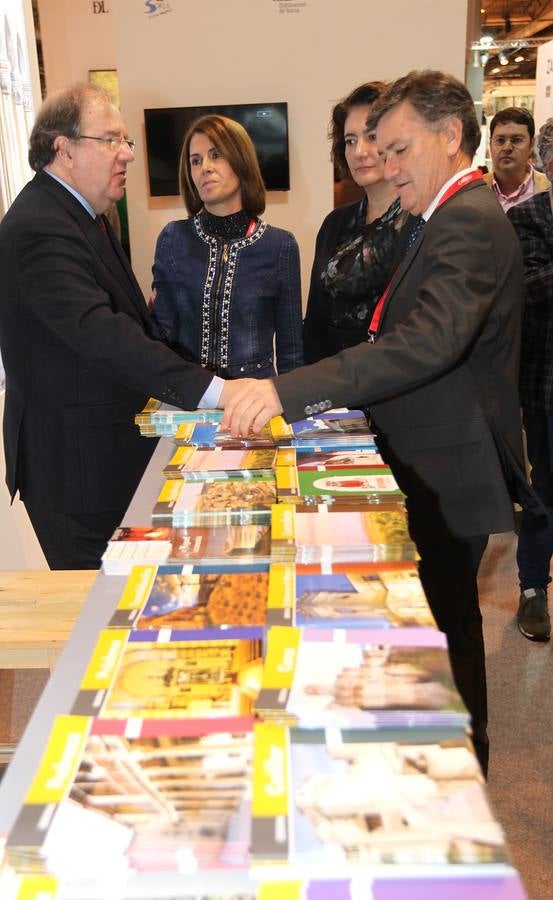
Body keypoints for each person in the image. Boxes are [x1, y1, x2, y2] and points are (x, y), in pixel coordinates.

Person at [220, 70, 540, 775]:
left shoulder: (466, 219)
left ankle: (458, 774)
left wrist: (288, 389)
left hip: (445, 462)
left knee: (446, 633)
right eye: (377, 150)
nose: (385, 167)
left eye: (398, 150)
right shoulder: (448, 213)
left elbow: (425, 342)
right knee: (431, 626)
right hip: (425, 449)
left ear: (449, 136)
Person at [0, 83, 217, 570]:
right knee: (101, 613)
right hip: (78, 472)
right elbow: (101, 332)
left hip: (102, 458)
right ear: (65, 148)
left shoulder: (85, 216)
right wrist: (210, 391)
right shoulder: (41, 225)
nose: (127, 154)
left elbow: (129, 327)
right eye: (112, 140)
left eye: (128, 141)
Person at [151, 114, 303, 379]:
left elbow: (291, 351)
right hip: (191, 399)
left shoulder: (280, 245)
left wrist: (293, 409)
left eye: (216, 155)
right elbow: (161, 334)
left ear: (241, 161)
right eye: (195, 161)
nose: (205, 168)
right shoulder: (172, 238)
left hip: (255, 401)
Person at [303, 83, 405, 362]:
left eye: (371, 136)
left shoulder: (421, 222)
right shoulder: (335, 223)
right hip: (334, 388)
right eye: (350, 140)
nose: (359, 151)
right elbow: (315, 321)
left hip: (395, 387)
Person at [507, 118, 553, 642]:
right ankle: (534, 588)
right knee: (546, 490)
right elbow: (535, 286)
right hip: (545, 387)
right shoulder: (527, 219)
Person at [483, 106, 548, 212]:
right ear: (490, 144)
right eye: (500, 140)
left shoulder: (549, 188)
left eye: (516, 140)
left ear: (531, 145)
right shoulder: (473, 190)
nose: (507, 147)